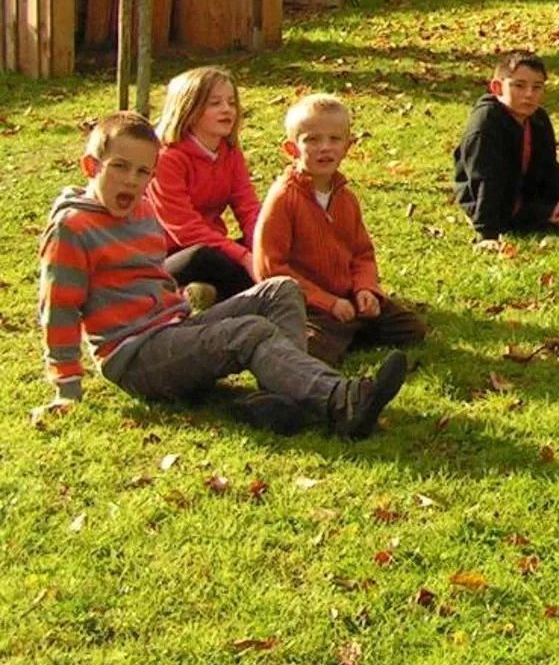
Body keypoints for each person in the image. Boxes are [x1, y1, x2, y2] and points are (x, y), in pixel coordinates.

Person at [36, 113, 407, 437]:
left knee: (280, 289)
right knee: (247, 333)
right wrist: (66, 387)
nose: (132, 180)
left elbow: (153, 279)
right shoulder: (73, 227)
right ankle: (341, 400)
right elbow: (59, 309)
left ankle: (287, 399)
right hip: (133, 357)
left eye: (143, 171)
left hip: (173, 330)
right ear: (91, 167)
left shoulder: (144, 211)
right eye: (120, 167)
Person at [253, 95, 430, 367]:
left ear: (347, 146)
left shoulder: (345, 197)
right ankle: (325, 335)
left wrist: (365, 289)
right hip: (309, 306)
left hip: (348, 296)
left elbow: (362, 253)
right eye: (312, 140)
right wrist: (328, 303)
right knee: (312, 351)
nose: (325, 148)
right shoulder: (284, 199)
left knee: (410, 329)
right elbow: (271, 269)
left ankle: (348, 330)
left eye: (334, 139)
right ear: (291, 149)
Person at [454, 51, 559, 242]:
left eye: (537, 87)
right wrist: (487, 233)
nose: (529, 94)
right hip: (502, 201)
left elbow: (549, 164)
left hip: (527, 183)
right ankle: (532, 216)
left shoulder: (538, 117)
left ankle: (555, 202)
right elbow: (484, 180)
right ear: (497, 87)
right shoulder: (485, 126)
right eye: (519, 86)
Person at [146, 66, 262, 307]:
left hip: (216, 245)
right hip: (169, 255)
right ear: (188, 109)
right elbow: (184, 229)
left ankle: (208, 294)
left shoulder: (230, 152)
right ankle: (252, 299)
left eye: (231, 103)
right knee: (206, 257)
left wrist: (261, 246)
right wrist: (244, 257)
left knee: (279, 245)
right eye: (215, 103)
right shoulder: (167, 158)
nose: (227, 109)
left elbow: (248, 207)